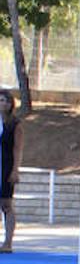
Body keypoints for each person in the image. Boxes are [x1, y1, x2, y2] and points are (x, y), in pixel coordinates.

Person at [0, 89, 22, 252]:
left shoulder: (14, 124)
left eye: (6, 101)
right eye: (0, 100)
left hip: (5, 166)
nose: (3, 103)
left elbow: (17, 149)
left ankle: (8, 242)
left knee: (6, 204)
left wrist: (15, 170)